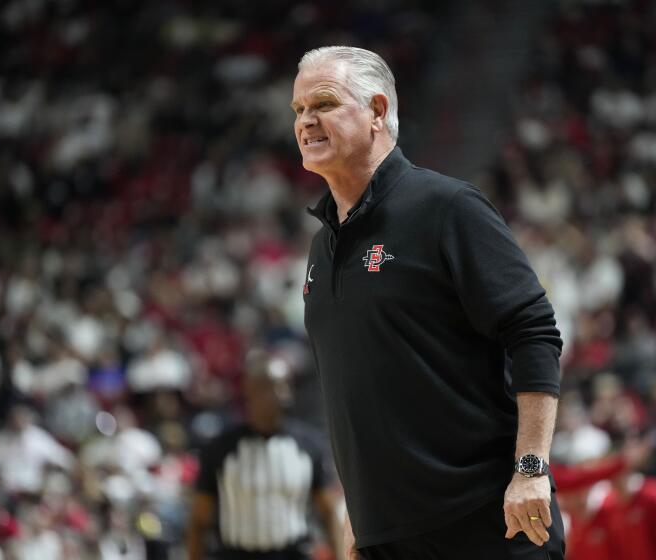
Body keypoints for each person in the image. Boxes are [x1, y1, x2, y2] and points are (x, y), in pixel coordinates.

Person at [294, 46, 565, 559]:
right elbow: (357, 392)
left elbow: (534, 331)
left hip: (487, 526)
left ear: (376, 111)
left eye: (323, 104)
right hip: (386, 539)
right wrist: (360, 516)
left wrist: (531, 469)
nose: (306, 121)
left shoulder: (447, 208)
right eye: (298, 110)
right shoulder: (321, 247)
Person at [187, 351, 344, 560]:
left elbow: (327, 512)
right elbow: (199, 520)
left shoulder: (309, 445)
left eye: (285, 385)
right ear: (249, 391)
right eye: (271, 386)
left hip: (292, 554)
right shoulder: (220, 449)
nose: (281, 394)